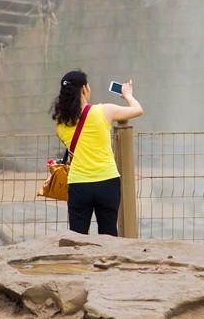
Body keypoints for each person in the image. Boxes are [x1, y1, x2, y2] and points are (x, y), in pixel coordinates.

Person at [51, 70, 143, 236]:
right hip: (107, 182)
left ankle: (78, 262)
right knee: (108, 235)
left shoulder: (59, 123)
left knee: (77, 238)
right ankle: (107, 261)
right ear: (85, 89)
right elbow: (137, 110)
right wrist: (127, 94)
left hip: (79, 185)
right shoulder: (104, 111)